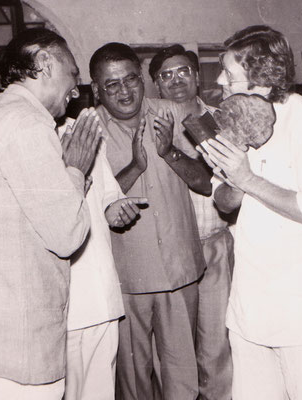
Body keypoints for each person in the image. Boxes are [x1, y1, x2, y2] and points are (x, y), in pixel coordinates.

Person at [199, 25, 302, 400]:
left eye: (229, 72)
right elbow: (223, 201)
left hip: (300, 308)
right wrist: (233, 182)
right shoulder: (236, 119)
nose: (220, 79)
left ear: (261, 75)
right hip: (251, 304)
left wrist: (247, 179)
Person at [0, 28, 100, 399]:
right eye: (73, 75)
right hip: (20, 337)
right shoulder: (26, 125)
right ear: (45, 64)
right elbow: (66, 235)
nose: (75, 90)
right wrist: (76, 172)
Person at [88, 42, 212, 400]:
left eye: (131, 79)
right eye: (112, 85)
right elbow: (85, 204)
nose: (125, 91)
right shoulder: (85, 129)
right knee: (133, 381)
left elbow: (205, 182)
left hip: (179, 270)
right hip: (126, 277)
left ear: (143, 79)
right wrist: (136, 167)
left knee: (183, 378)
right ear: (96, 88)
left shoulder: (174, 112)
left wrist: (169, 152)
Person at [149, 44, 234, 400]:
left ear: (197, 76)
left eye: (183, 71)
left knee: (216, 340)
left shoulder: (222, 118)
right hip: (172, 250)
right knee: (176, 347)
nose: (176, 81)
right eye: (165, 76)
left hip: (215, 240)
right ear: (156, 84)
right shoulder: (150, 126)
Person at [60, 113, 147, 400]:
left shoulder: (81, 130)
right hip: (68, 305)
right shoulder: (31, 135)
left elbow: (108, 193)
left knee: (101, 393)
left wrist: (115, 209)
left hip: (103, 298)